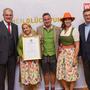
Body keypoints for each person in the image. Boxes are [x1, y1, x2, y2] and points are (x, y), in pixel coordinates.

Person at [37, 13, 60, 90]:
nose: (46, 21)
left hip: (54, 54)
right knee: (45, 72)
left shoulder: (57, 29)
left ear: (51, 19)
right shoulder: (39, 29)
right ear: (43, 20)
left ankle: (53, 87)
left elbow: (61, 40)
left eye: (48, 19)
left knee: (53, 72)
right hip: (44, 55)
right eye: (45, 19)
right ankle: (46, 87)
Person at [56, 12, 79, 90]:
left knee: (72, 72)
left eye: (69, 19)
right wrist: (60, 47)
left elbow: (77, 45)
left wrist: (75, 57)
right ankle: (66, 88)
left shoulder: (74, 30)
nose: (67, 21)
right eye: (66, 19)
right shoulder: (62, 30)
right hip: (62, 53)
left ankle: (71, 89)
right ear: (63, 21)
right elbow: (61, 42)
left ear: (71, 20)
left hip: (71, 53)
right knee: (60, 72)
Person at [17, 23, 41, 90]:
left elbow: (39, 47)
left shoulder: (35, 36)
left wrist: (38, 56)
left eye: (26, 27)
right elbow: (18, 47)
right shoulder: (21, 36)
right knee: (26, 81)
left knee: (34, 80)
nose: (25, 29)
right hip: (24, 62)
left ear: (30, 28)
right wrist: (21, 55)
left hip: (34, 61)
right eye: (23, 28)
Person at [0, 8, 18, 90]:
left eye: (10, 15)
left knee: (11, 79)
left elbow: (16, 42)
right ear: (3, 15)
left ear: (12, 16)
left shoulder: (15, 27)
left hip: (12, 58)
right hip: (1, 58)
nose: (8, 16)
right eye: (6, 15)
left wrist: (17, 55)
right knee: (1, 80)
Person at [79, 9, 90, 89]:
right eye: (86, 15)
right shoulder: (81, 27)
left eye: (89, 15)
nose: (88, 16)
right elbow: (79, 41)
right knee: (87, 76)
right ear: (83, 16)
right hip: (85, 57)